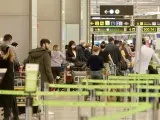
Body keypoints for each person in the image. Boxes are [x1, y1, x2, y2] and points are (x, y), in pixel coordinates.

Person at [0, 44, 19, 120]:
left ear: (2, 51)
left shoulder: (2, 61)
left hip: (4, 81)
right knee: (12, 98)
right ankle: (16, 115)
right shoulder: (11, 59)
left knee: (7, 99)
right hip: (10, 81)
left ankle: (6, 117)